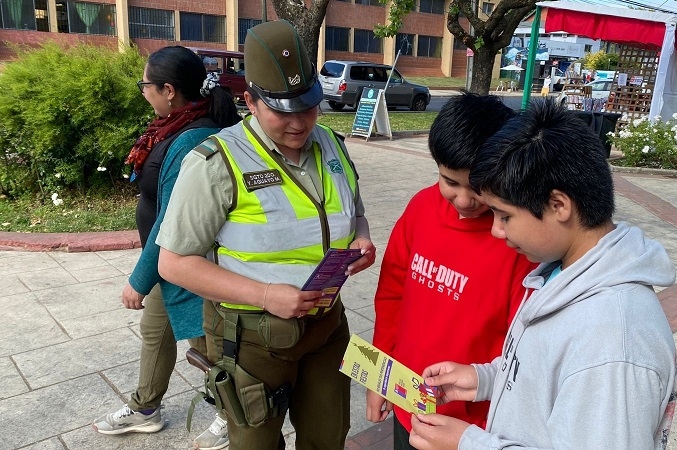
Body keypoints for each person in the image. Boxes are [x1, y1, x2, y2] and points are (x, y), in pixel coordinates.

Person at [409, 98, 677, 450]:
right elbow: (546, 377)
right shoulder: (561, 274)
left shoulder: (613, 345)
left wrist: (469, 445)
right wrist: (485, 378)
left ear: (558, 205)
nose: (496, 231)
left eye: (504, 216)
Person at [155, 20, 376, 449]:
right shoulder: (216, 161)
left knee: (328, 438)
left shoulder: (332, 144)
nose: (299, 123)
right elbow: (174, 263)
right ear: (250, 102)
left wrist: (361, 238)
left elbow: (356, 213)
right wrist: (265, 295)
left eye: (308, 106)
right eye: (282, 110)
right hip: (251, 339)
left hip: (327, 327)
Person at [366, 93, 537, 450]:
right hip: (409, 400)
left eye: (477, 188)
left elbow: (527, 346)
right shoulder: (421, 209)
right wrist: (380, 375)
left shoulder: (519, 241)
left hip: (476, 425)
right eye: (450, 182)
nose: (463, 201)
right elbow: (392, 294)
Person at [92, 46, 241, 450]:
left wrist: (138, 280)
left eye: (146, 85)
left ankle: (232, 416)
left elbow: (172, 219)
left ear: (169, 90)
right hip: (169, 262)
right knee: (155, 330)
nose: (144, 92)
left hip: (191, 265)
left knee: (207, 346)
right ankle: (146, 408)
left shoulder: (194, 137)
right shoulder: (176, 126)